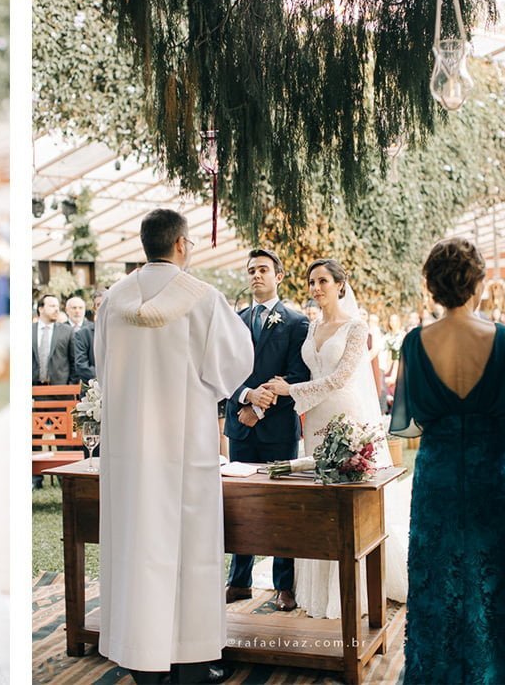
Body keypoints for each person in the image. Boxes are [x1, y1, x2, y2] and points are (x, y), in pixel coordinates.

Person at [96, 209, 252, 684]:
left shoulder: (113, 299)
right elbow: (234, 364)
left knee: (134, 544)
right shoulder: (202, 299)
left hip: (128, 453)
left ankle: (138, 655)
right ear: (181, 244)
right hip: (183, 448)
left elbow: (103, 370)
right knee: (190, 551)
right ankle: (189, 660)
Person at [390, 239, 505, 684]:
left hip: (436, 476)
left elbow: (410, 420)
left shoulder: (414, 343)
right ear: (477, 281)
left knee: (439, 577)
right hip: (491, 472)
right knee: (497, 576)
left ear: (432, 286)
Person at [262, 258, 409, 618]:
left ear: (340, 285)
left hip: (345, 416)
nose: (316, 288)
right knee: (321, 498)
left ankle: (358, 582)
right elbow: (313, 370)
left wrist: (290, 390)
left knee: (349, 497)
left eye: (323, 281)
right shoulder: (311, 328)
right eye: (312, 282)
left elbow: (341, 377)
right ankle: (318, 588)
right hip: (314, 420)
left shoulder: (356, 328)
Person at [223, 249, 309, 611]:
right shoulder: (235, 320)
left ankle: (283, 585)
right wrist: (245, 396)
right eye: (251, 271)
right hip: (239, 428)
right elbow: (222, 368)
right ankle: (238, 581)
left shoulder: (296, 321)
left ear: (279, 275)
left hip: (276, 429)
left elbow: (299, 376)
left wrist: (258, 407)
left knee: (280, 507)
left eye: (263, 270)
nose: (256, 275)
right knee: (238, 506)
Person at [32, 294, 75, 385]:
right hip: (33, 390)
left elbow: (74, 361)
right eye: (52, 306)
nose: (56, 309)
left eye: (57, 306)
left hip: (60, 390)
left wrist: (70, 385)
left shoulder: (67, 331)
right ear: (41, 309)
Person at [73, 289, 104, 385]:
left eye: (106, 303)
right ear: (94, 309)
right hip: (93, 388)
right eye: (99, 304)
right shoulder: (82, 334)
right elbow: (81, 365)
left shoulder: (120, 333)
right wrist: (104, 378)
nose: (103, 307)